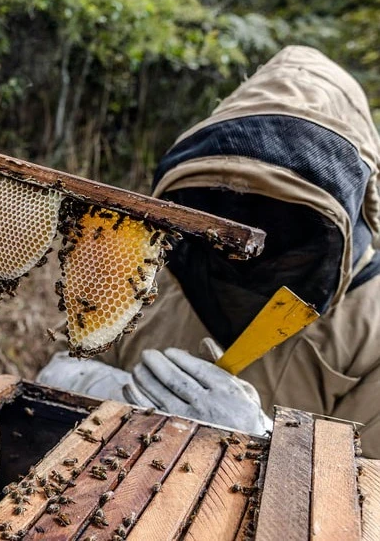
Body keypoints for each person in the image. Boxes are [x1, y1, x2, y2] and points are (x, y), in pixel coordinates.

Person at [37, 46, 380, 452]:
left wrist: (265, 439)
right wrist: (101, 386)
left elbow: (368, 501)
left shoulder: (369, 329)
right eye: (226, 204)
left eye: (280, 217)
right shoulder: (154, 264)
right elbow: (61, 367)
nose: (248, 233)